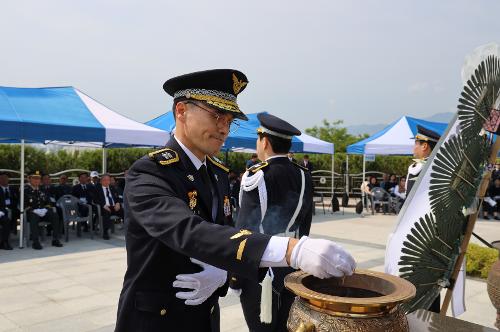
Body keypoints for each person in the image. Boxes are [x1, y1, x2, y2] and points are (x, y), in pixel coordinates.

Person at [115, 69, 356, 332]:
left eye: (230, 120)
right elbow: (187, 230)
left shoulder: (216, 173)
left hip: (204, 317)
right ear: (181, 111)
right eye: (216, 115)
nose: (224, 128)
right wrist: (290, 249)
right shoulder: (150, 172)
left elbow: (227, 230)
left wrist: (222, 273)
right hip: (157, 320)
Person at [230, 113, 313, 332]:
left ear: (264, 141)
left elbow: (244, 229)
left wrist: (236, 275)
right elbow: (305, 224)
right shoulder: (303, 174)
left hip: (261, 268)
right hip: (293, 265)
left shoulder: (256, 176)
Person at [406, 124, 441, 312]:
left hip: (423, 234)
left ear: (425, 146)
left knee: (422, 278)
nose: (414, 147)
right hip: (427, 233)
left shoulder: (422, 169)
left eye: (416, 143)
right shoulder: (433, 168)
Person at [24, 171, 63, 250]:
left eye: (38, 178)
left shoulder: (42, 188)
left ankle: (55, 239)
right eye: (34, 178)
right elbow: (24, 205)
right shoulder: (25, 190)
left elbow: (48, 201)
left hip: (43, 212)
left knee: (54, 215)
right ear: (29, 179)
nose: (36, 180)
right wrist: (33, 210)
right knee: (34, 216)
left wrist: (46, 209)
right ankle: (35, 242)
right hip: (32, 213)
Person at [94, 174, 123, 239]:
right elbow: (95, 199)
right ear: (101, 181)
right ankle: (105, 232)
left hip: (113, 207)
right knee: (106, 213)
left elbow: (118, 197)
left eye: (108, 180)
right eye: (104, 180)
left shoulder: (112, 188)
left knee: (125, 212)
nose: (106, 182)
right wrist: (103, 205)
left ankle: (130, 229)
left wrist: (118, 203)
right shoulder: (97, 188)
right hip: (104, 207)